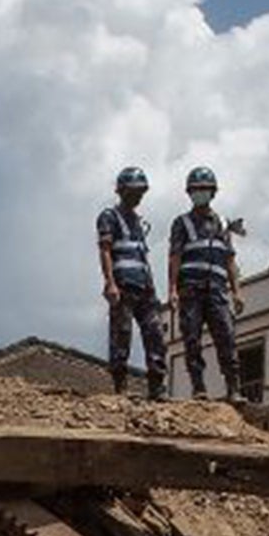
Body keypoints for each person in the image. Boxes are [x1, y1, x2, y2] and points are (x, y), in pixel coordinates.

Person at [167, 166, 242, 401]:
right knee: (192, 338)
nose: (200, 193)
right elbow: (175, 258)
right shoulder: (182, 223)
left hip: (217, 290)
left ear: (212, 192)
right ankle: (198, 387)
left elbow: (230, 260)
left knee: (227, 337)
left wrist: (237, 292)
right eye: (196, 190)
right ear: (190, 193)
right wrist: (171, 290)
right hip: (191, 289)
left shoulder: (221, 224)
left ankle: (233, 388)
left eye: (205, 189)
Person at [95, 166, 167, 399]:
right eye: (134, 191)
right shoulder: (109, 217)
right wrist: (110, 283)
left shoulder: (138, 221)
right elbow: (105, 250)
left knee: (155, 333)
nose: (138, 197)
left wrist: (153, 288)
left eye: (140, 192)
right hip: (123, 284)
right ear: (122, 191)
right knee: (121, 333)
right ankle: (120, 385)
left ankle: (156, 386)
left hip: (144, 286)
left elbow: (142, 256)